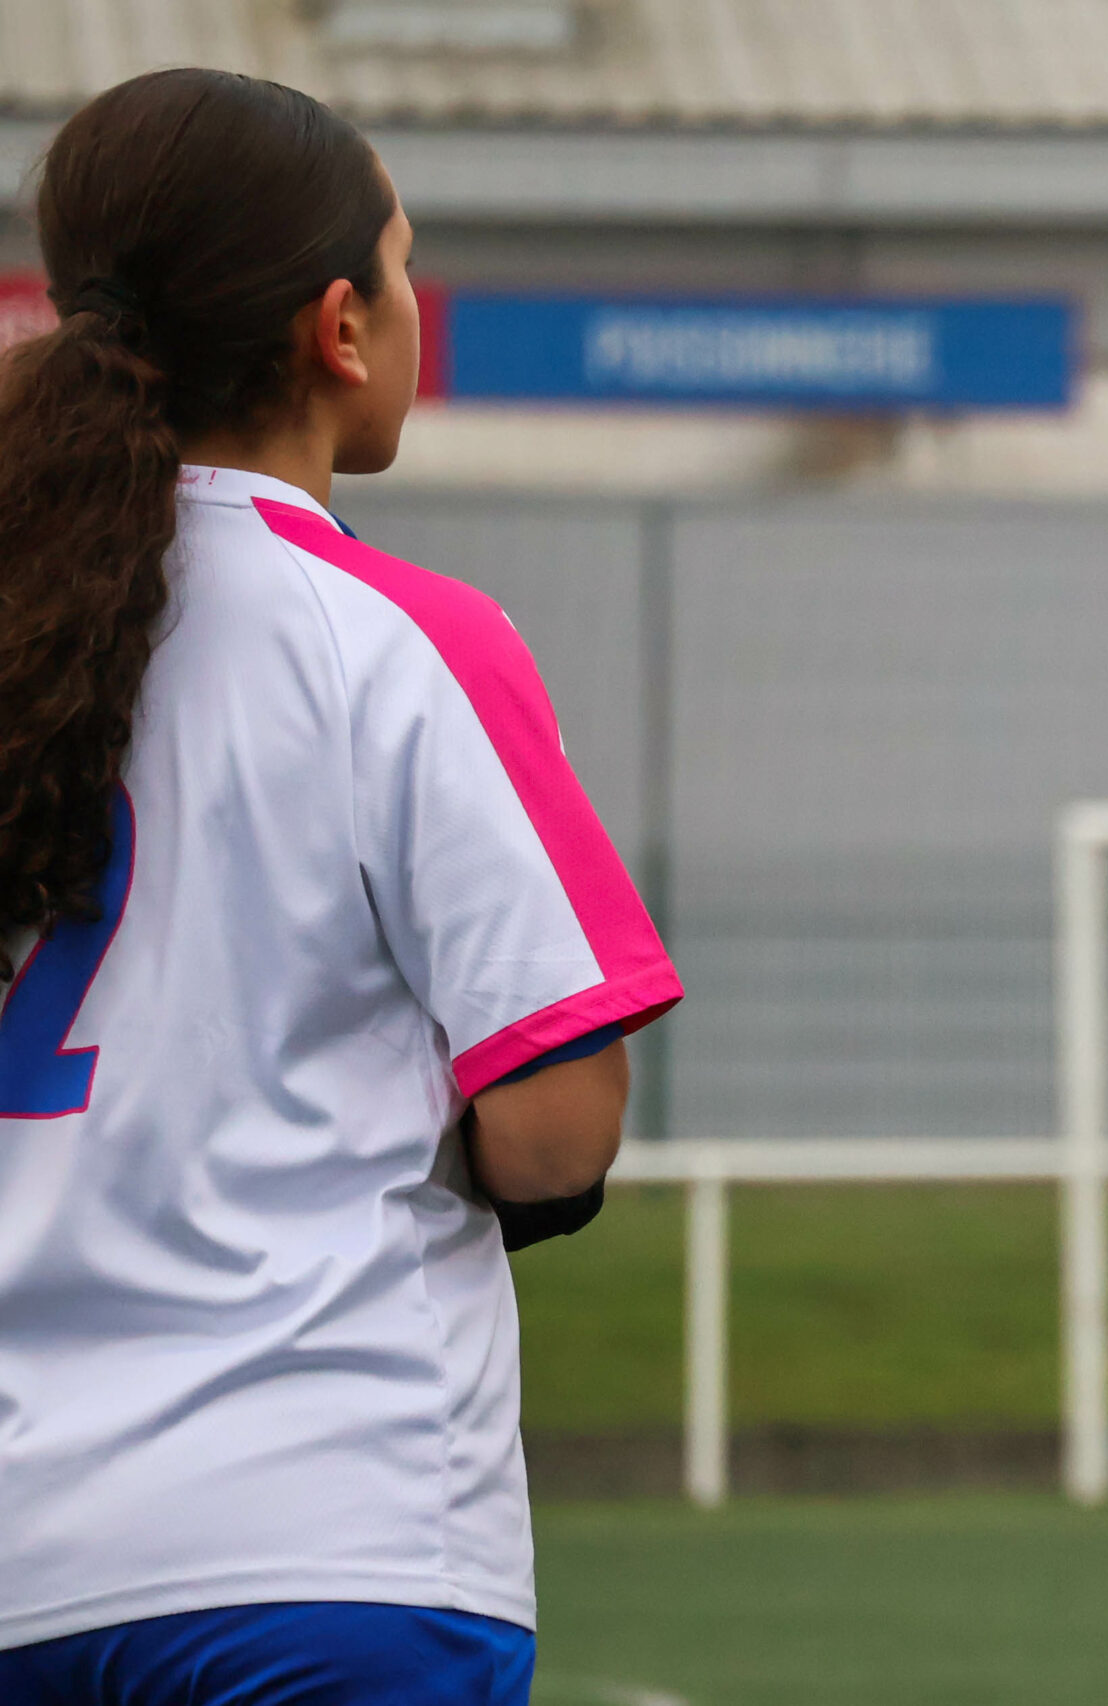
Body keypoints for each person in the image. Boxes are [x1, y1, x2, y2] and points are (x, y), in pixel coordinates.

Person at [0, 69, 680, 1703]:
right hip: (328, 1544)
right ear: (340, 328)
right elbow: (556, 1124)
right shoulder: (404, 641)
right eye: (402, 262)